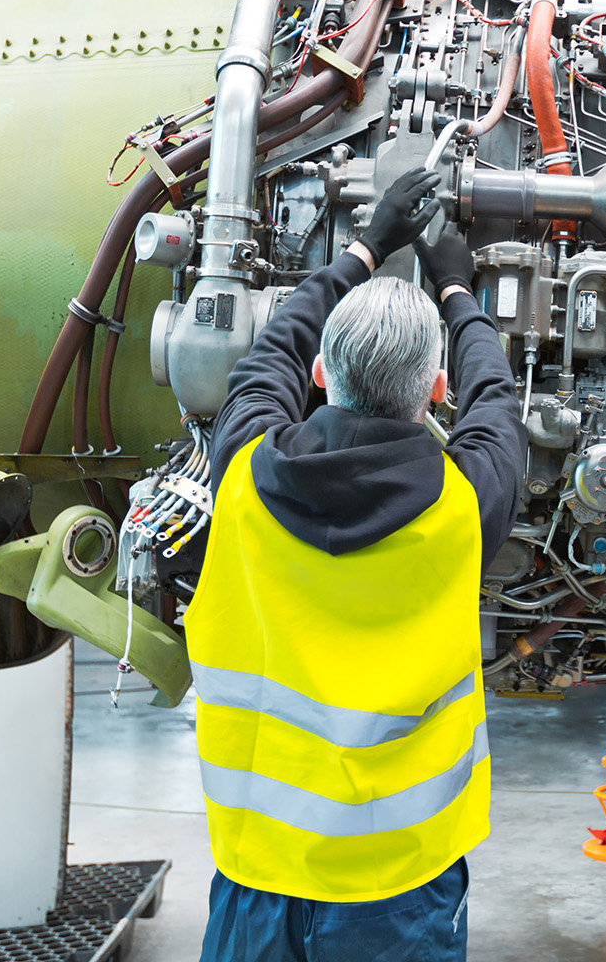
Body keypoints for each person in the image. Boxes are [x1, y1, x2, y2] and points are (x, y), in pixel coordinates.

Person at [185, 167, 528, 961]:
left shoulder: (242, 471)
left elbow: (268, 352)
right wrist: (458, 291)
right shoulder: (465, 505)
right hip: (400, 890)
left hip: (257, 877)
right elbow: (497, 405)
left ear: (315, 378)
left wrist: (367, 248)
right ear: (436, 389)